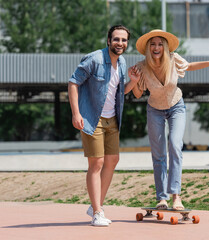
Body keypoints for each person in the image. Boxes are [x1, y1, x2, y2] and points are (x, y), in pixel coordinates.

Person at [126, 29, 209, 210]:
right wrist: (134, 80)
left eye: (160, 44)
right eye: (153, 44)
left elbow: (190, 66)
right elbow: (137, 94)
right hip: (155, 110)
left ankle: (176, 196)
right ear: (148, 48)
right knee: (158, 154)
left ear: (165, 47)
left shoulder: (174, 59)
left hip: (176, 106)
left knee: (175, 145)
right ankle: (162, 198)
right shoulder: (141, 67)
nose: (156, 47)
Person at [68, 24, 133, 227]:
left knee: (112, 160)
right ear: (108, 40)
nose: (120, 43)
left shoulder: (122, 63)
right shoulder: (94, 59)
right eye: (116, 39)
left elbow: (118, 92)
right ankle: (97, 212)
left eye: (123, 40)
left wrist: (134, 81)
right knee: (96, 163)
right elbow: (72, 83)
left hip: (112, 119)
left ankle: (96, 205)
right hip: (91, 118)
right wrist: (76, 113)